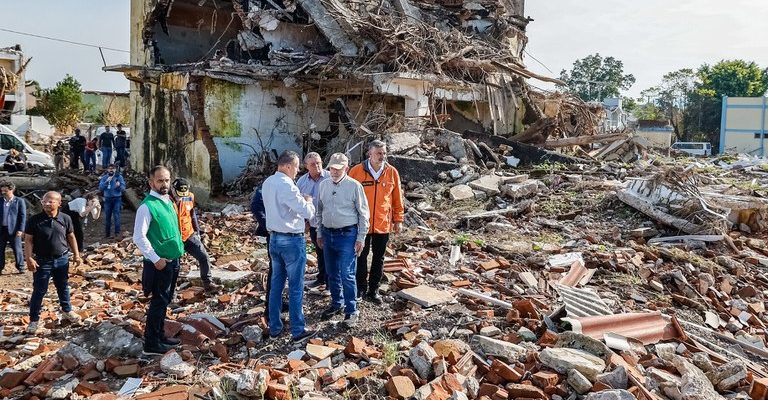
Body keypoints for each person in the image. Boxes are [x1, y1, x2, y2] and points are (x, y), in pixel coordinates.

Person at [261, 151, 316, 343]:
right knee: (295, 286)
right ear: (287, 166)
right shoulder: (286, 184)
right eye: (296, 167)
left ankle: (275, 326)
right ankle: (297, 329)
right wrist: (308, 201)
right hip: (291, 240)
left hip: (274, 239)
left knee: (276, 285)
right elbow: (307, 211)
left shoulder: (268, 182)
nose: (297, 171)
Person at [132, 165, 185, 355]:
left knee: (165, 300)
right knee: (158, 302)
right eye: (160, 180)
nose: (164, 184)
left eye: (167, 180)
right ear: (151, 182)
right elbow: (138, 236)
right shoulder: (147, 206)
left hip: (173, 260)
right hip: (160, 264)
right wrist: (155, 258)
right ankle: (151, 344)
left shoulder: (168, 201)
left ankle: (160, 335)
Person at [316, 153, 370, 328]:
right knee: (331, 272)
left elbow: (363, 214)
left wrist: (361, 237)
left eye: (338, 169)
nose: (335, 171)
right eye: (332, 168)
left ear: (346, 168)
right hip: (328, 233)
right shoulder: (323, 185)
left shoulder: (354, 186)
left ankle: (351, 309)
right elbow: (319, 211)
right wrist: (319, 233)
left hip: (347, 234)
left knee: (347, 273)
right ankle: (336, 303)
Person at [348, 140, 404, 304]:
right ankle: (359, 288)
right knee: (360, 256)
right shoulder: (357, 171)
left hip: (382, 223)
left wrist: (398, 219)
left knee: (379, 258)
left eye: (384, 153)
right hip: (361, 224)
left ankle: (374, 290)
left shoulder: (391, 172)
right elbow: (348, 196)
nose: (382, 156)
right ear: (369, 153)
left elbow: (397, 198)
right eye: (379, 153)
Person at [25, 191, 83, 334]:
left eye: (50, 201)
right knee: (39, 290)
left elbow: (71, 237)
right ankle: (33, 320)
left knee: (63, 286)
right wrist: (29, 258)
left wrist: (76, 254)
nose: (46, 203)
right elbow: (28, 240)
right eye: (44, 201)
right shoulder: (34, 220)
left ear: (59, 203)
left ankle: (67, 311)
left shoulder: (65, 218)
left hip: (62, 259)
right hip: (42, 261)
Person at [171, 178, 222, 293]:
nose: (181, 197)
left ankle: (208, 284)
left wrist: (197, 231)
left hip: (188, 234)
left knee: (203, 257)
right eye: (179, 195)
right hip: (173, 238)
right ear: (173, 190)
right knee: (174, 266)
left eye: (184, 195)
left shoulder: (189, 196)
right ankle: (171, 293)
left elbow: (192, 214)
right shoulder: (166, 201)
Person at [295, 152, 330, 289]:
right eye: (313, 164)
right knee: (320, 252)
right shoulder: (301, 182)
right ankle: (322, 278)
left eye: (319, 163)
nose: (317, 166)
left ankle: (331, 282)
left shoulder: (329, 177)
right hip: (314, 224)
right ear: (306, 166)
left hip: (330, 224)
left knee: (330, 253)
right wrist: (305, 222)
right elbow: (298, 204)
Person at [0, 181, 26, 274]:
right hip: (2, 229)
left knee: (17, 248)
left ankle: (21, 267)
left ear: (12, 190)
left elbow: (22, 216)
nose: (3, 193)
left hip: (14, 229)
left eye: (5, 191)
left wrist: (21, 229)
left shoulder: (19, 201)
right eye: (2, 191)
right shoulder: (0, 201)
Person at [99, 164, 126, 239]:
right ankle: (107, 234)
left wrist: (119, 186)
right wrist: (106, 182)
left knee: (116, 216)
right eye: (110, 168)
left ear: (115, 169)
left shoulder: (119, 177)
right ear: (107, 169)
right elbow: (100, 188)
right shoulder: (104, 178)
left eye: (113, 168)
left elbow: (123, 189)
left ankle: (117, 233)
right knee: (107, 216)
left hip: (117, 199)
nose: (111, 170)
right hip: (107, 199)